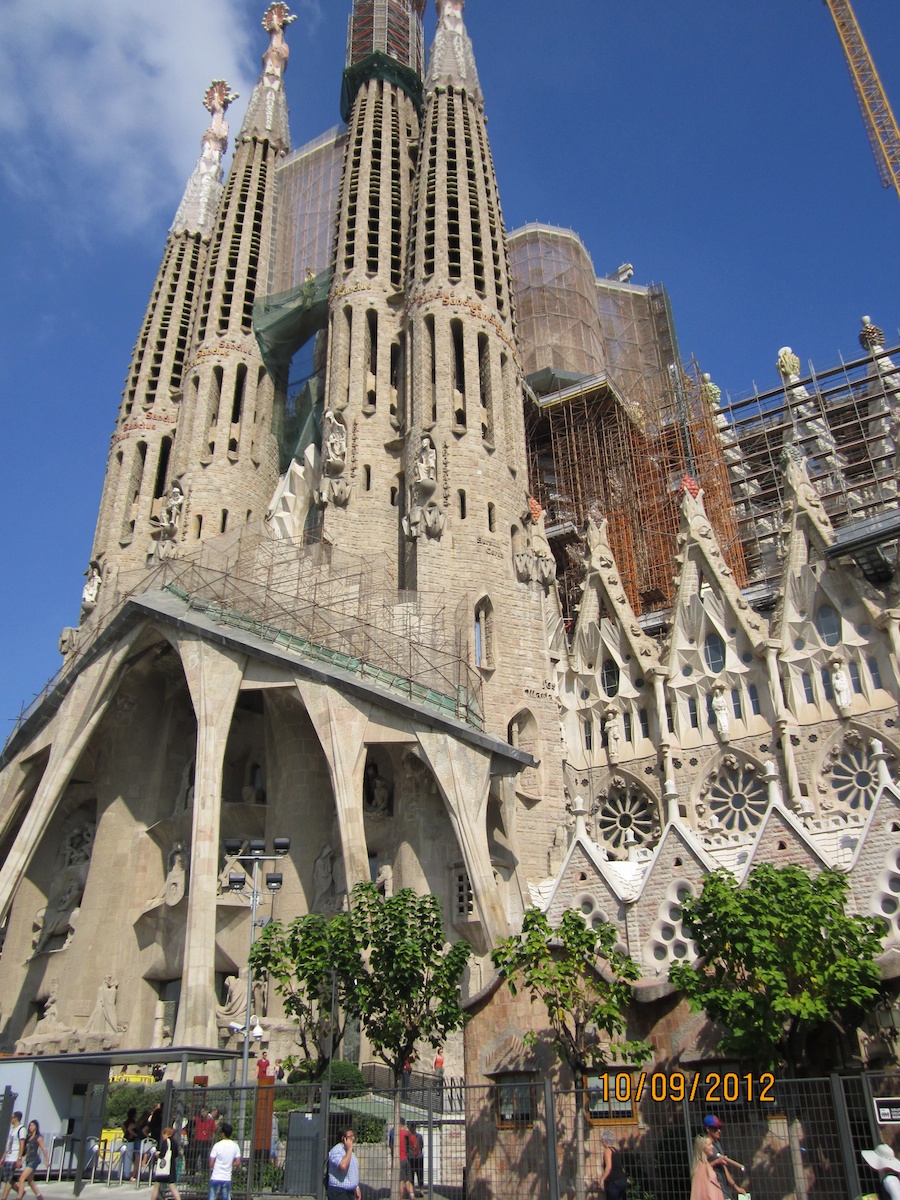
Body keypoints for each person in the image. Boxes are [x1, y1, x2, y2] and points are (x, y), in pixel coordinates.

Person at [703, 1115, 745, 1200]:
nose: (719, 1131)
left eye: (719, 1127)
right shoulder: (704, 1146)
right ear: (708, 1129)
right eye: (715, 1128)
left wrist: (736, 1187)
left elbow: (724, 1168)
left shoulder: (717, 1144)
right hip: (712, 1190)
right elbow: (701, 1168)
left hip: (724, 1190)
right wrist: (717, 1162)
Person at [208, 1123, 241, 1200]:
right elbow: (237, 1162)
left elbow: (211, 1163)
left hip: (216, 1177)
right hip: (227, 1178)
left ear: (222, 1133)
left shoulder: (217, 1145)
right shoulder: (235, 1146)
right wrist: (229, 1164)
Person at [326, 1127, 360, 1200]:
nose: (353, 1138)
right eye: (350, 1137)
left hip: (349, 1191)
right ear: (343, 1139)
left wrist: (356, 1187)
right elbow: (343, 1166)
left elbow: (353, 1170)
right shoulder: (336, 1151)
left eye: (353, 1136)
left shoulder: (349, 1151)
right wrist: (349, 1149)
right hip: (338, 1191)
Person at [16, 1121, 47, 1200]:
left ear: (36, 1126)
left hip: (34, 1160)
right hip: (29, 1159)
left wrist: (47, 1160)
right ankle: (39, 1196)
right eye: (30, 1126)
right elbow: (28, 1151)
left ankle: (19, 1198)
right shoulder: (29, 1137)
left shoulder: (38, 1137)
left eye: (32, 1125)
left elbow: (43, 1148)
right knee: (30, 1181)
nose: (31, 1127)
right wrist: (22, 1160)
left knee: (21, 1179)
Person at [150, 1127, 181, 1200]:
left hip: (164, 1168)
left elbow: (162, 1155)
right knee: (172, 1186)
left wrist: (157, 1154)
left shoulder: (166, 1142)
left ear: (166, 1134)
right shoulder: (175, 1142)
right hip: (172, 1167)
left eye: (163, 1134)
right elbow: (176, 1154)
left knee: (156, 1185)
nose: (162, 1136)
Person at [1, 1112, 25, 1200]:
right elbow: (8, 1144)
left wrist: (19, 1158)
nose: (11, 1118)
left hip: (14, 1157)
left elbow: (22, 1144)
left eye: (12, 1117)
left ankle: (3, 1198)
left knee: (9, 1179)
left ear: (16, 1118)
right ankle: (20, 1190)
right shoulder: (12, 1130)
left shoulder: (21, 1129)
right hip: (8, 1156)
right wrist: (3, 1157)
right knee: (7, 1178)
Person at [690, 1134, 721, 1200]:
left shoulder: (703, 1166)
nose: (712, 1147)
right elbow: (707, 1193)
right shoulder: (701, 1168)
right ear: (702, 1147)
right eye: (709, 1144)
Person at [599, 1130, 628, 1200]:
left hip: (614, 1182)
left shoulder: (607, 1151)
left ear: (605, 1140)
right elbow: (620, 1167)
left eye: (601, 1140)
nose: (601, 1142)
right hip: (622, 1180)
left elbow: (609, 1167)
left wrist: (602, 1180)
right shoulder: (616, 1150)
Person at [191, 1108, 216, 1173]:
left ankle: (204, 1175)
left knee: (204, 1160)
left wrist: (212, 1145)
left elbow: (213, 1134)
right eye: (201, 1112)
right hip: (197, 1141)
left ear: (207, 1111)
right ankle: (192, 1173)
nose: (202, 1114)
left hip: (205, 1141)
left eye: (203, 1112)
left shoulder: (211, 1121)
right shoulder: (197, 1119)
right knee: (193, 1158)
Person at [120, 1108, 138, 1182]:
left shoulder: (125, 1122)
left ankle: (121, 1173)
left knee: (123, 1157)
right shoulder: (133, 1122)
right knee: (129, 1158)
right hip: (131, 1140)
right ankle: (127, 1174)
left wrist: (126, 1134)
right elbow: (130, 1129)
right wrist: (135, 1135)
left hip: (125, 1139)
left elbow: (124, 1128)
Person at [408, 1123, 424, 1196]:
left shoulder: (419, 1136)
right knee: (411, 1175)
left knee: (420, 1174)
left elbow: (421, 1145)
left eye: (412, 1127)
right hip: (411, 1158)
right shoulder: (408, 1137)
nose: (411, 1129)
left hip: (419, 1158)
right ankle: (412, 1191)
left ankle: (421, 1189)